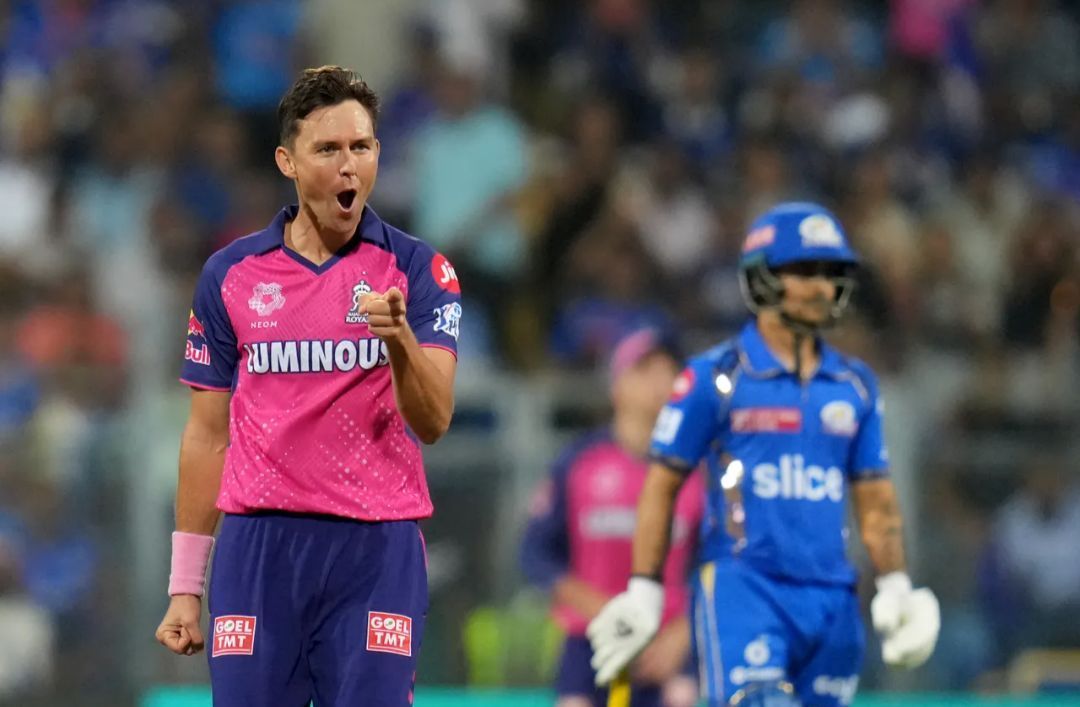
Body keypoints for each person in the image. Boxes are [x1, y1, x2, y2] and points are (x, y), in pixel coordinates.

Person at [153, 66, 461, 707]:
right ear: (287, 161)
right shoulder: (231, 275)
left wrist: (400, 339)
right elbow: (208, 436)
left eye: (363, 147)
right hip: (259, 549)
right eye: (328, 150)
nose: (350, 167)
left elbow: (433, 421)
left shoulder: (417, 270)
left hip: (374, 549)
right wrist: (186, 584)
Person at [586, 203, 940, 706]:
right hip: (743, 589)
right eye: (805, 271)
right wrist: (645, 590)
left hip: (833, 600)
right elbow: (662, 487)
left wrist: (896, 584)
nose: (822, 286)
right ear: (763, 278)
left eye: (831, 272)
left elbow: (876, 499)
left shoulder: (854, 387)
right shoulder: (715, 378)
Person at [521, 329, 701, 707]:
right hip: (588, 644)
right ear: (616, 385)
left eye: (669, 371)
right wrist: (609, 615)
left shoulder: (696, 472)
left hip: (666, 653)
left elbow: (716, 565)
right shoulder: (579, 463)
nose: (660, 381)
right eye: (645, 370)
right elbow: (536, 555)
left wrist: (683, 634)